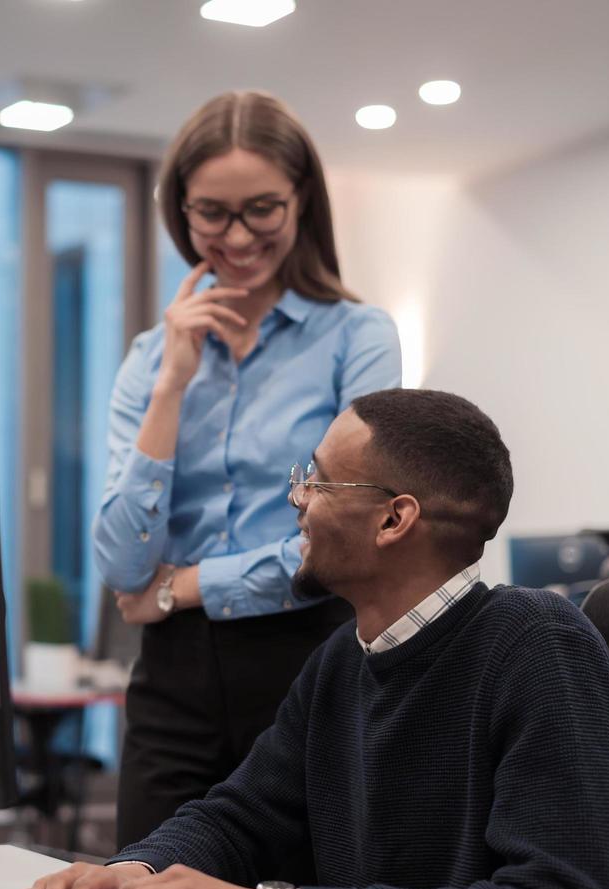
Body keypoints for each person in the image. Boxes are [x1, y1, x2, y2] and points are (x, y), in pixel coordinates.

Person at [7, 389, 609, 889]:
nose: (298, 499)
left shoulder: (538, 643)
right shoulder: (341, 660)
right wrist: (135, 872)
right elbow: (239, 817)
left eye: (319, 480)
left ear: (393, 520)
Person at [96, 90, 401, 849]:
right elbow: (119, 560)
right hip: (172, 681)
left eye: (261, 208)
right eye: (212, 213)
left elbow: (355, 528)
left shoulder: (356, 339)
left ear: (302, 202)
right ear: (182, 210)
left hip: (311, 660)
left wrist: (184, 585)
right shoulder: (148, 359)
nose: (236, 236)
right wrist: (172, 385)